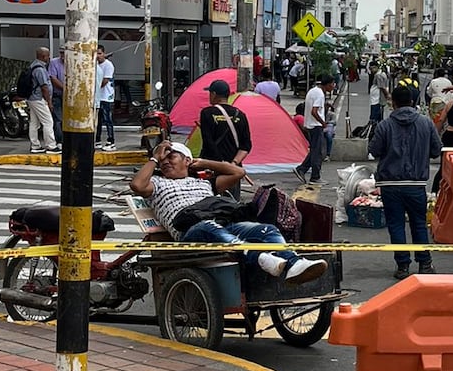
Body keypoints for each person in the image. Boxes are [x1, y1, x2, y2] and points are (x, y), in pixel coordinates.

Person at [130, 142, 326, 283]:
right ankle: (258, 257)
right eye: (163, 159)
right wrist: (155, 157)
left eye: (171, 156)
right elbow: (137, 185)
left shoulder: (204, 183)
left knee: (266, 229)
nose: (165, 161)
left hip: (225, 225)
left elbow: (238, 172)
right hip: (191, 232)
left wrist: (203, 162)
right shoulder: (157, 184)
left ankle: (294, 263)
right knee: (208, 227)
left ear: (187, 160)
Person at [370, 83, 441, 279]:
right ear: (412, 102)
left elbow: (374, 150)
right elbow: (436, 150)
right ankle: (425, 263)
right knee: (419, 224)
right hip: (416, 184)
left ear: (393, 103)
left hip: (390, 185)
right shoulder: (426, 123)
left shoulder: (385, 125)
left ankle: (402, 266)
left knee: (396, 225)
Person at [199, 81, 252, 179]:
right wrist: (233, 163)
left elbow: (208, 142)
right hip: (234, 169)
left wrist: (221, 163)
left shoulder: (207, 113)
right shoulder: (240, 114)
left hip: (212, 166)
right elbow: (246, 146)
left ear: (213, 94)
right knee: (233, 188)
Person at [26, 47, 57, 154]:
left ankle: (35, 145)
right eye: (48, 55)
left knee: (34, 123)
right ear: (43, 56)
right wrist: (49, 102)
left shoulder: (33, 65)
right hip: (39, 99)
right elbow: (44, 87)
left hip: (32, 98)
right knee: (48, 122)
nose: (49, 58)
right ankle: (51, 146)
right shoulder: (40, 69)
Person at [302, 76, 330, 183]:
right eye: (333, 84)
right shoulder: (320, 94)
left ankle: (302, 169)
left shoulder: (313, 91)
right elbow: (314, 111)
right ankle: (315, 176)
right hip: (316, 126)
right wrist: (323, 123)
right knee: (317, 153)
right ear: (328, 84)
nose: (333, 86)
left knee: (314, 150)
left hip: (310, 124)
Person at [94, 48, 116, 147]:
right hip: (98, 97)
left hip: (106, 96)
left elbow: (105, 81)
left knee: (108, 119)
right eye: (96, 54)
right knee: (98, 120)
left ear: (104, 53)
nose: (98, 56)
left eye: (100, 53)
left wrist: (95, 89)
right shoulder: (95, 64)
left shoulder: (108, 65)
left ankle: (111, 140)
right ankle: (97, 139)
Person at [46, 48, 65, 145]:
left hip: (69, 96)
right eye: (61, 53)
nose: (62, 55)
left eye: (64, 53)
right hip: (57, 94)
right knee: (58, 119)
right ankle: (59, 140)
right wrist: (65, 88)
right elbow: (53, 78)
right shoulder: (54, 62)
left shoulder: (74, 62)